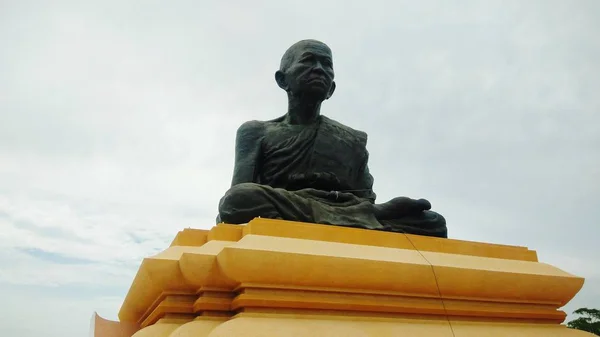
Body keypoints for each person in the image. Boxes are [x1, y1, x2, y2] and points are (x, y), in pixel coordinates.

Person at [217, 39, 447, 238]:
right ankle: (347, 219)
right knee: (240, 198)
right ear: (282, 80)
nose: (319, 69)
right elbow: (238, 195)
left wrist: (373, 210)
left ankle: (339, 219)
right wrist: (368, 213)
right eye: (308, 61)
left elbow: (365, 198)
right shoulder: (256, 131)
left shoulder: (351, 139)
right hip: (294, 206)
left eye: (326, 65)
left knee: (433, 222)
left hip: (334, 209)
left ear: (331, 89)